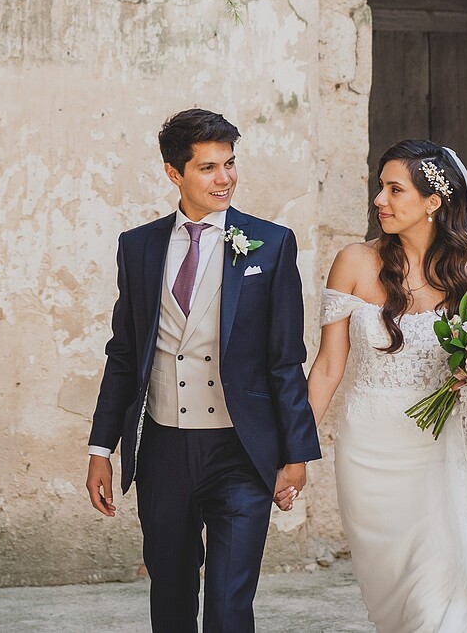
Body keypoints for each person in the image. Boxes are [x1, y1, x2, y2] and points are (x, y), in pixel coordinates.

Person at [306, 139, 467, 633]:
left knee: (439, 598)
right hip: (368, 452)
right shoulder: (354, 262)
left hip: (444, 454)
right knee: (394, 602)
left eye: (394, 189)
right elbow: (327, 368)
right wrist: (292, 448)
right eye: (380, 188)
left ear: (433, 202)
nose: (380, 200)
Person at [85, 108, 321, 632]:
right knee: (170, 597)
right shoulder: (139, 247)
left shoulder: (272, 243)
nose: (225, 178)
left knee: (229, 605)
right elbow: (123, 355)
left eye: (230, 164)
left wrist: (297, 454)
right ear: (175, 173)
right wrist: (101, 449)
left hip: (242, 451)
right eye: (209, 168)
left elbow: (286, 360)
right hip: (164, 452)